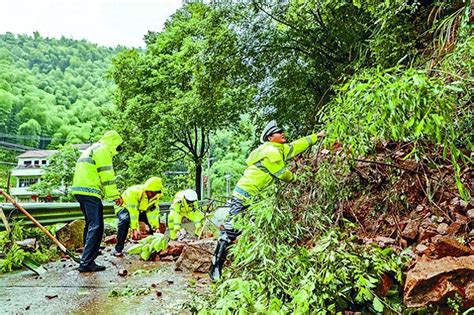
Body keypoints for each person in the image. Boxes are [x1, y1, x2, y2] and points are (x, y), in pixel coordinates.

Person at [209, 121, 325, 280]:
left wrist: (316, 137)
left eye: (282, 131)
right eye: (278, 132)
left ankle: (244, 266)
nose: (282, 133)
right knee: (231, 231)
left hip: (255, 198)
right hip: (244, 194)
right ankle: (215, 267)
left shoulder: (280, 148)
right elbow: (282, 174)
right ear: (270, 137)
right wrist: (297, 179)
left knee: (251, 228)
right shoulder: (270, 151)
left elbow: (297, 145)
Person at [71, 130, 123, 272]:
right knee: (97, 225)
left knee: (90, 224)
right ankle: (87, 262)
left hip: (79, 190)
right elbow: (107, 176)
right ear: (113, 142)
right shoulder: (103, 150)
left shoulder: (92, 148)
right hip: (90, 190)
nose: (117, 150)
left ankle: (86, 257)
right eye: (117, 146)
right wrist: (115, 196)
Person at [114, 177, 164, 256]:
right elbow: (133, 211)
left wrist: (156, 227)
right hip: (124, 207)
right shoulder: (134, 192)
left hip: (140, 210)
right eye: (151, 192)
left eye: (155, 193)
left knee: (153, 226)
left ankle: (152, 248)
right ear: (147, 189)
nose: (152, 195)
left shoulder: (155, 196)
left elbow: (153, 212)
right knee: (124, 221)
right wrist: (134, 228)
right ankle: (118, 249)